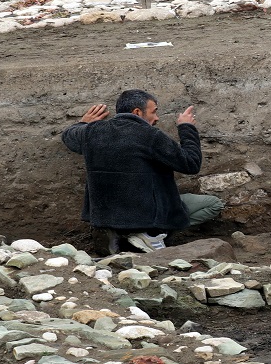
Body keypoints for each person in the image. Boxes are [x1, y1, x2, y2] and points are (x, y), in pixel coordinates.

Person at [62, 89, 224, 254]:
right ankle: (152, 235)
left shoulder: (92, 132)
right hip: (145, 218)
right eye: (154, 112)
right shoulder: (151, 136)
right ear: (137, 112)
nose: (157, 118)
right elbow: (191, 163)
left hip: (104, 218)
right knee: (213, 204)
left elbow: (68, 136)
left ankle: (118, 237)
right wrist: (186, 127)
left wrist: (83, 123)